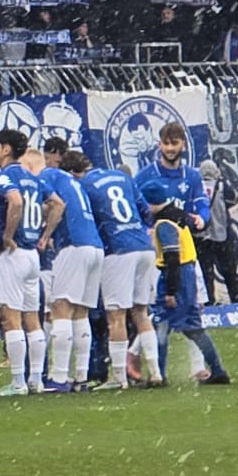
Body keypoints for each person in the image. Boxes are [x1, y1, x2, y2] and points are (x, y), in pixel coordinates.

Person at [74, 153, 163, 390]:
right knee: (141, 312)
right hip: (143, 247)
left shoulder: (83, 185)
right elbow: (145, 211)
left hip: (117, 249)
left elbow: (85, 219)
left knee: (116, 315)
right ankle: (155, 373)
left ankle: (118, 378)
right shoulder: (122, 177)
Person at [33, 144, 105, 394]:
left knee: (60, 307)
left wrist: (45, 235)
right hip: (95, 246)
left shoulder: (48, 175)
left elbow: (57, 206)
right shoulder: (75, 183)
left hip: (73, 245)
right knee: (80, 312)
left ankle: (59, 377)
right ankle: (81, 377)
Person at [143, 183, 230, 386]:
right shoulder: (179, 216)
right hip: (188, 272)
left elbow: (172, 256)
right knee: (192, 327)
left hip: (176, 274)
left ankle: (159, 375)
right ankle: (217, 370)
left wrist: (171, 290)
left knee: (163, 325)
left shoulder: (164, 223)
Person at [0, 129, 48, 396]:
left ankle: (17, 382)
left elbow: (15, 200)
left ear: (5, 149)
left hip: (13, 254)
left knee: (10, 318)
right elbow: (56, 204)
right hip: (33, 254)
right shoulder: (33, 178)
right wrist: (44, 235)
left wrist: (8, 235)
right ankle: (36, 379)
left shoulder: (6, 176)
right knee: (32, 319)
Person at [133, 123, 211, 232]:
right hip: (155, 241)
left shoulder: (193, 176)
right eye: (166, 143)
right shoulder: (143, 177)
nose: (170, 148)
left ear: (183, 144)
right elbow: (134, 210)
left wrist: (202, 219)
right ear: (159, 144)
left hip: (186, 238)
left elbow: (202, 204)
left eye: (174, 143)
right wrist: (145, 230)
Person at [197, 160, 238, 305]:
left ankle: (209, 303)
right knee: (230, 273)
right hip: (222, 235)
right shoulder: (222, 185)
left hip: (202, 236)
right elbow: (235, 199)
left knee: (207, 273)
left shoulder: (196, 187)